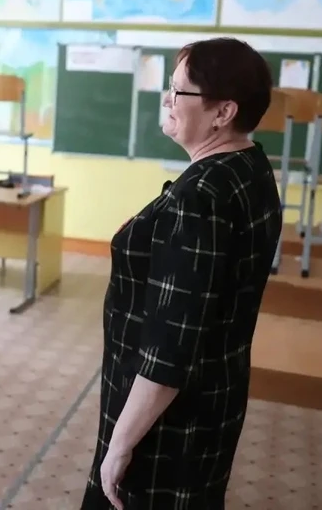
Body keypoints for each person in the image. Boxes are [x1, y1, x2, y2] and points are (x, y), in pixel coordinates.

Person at [81, 37, 283, 509]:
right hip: (214, 396)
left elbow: (170, 349)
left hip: (169, 422)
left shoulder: (200, 198)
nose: (167, 99)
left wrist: (121, 443)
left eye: (179, 91)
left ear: (223, 112)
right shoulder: (249, 167)